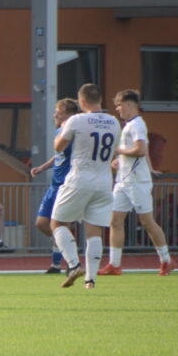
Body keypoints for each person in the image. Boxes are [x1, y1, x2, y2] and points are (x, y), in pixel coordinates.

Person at [49, 83, 122, 289]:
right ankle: (90, 280)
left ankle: (73, 265)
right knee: (94, 230)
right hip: (104, 181)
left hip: (80, 178)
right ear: (100, 99)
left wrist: (63, 129)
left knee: (57, 223)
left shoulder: (76, 120)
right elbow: (114, 150)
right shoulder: (114, 122)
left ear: (81, 102)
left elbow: (59, 147)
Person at [99, 89, 175, 276]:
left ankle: (166, 260)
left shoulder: (138, 124)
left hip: (137, 182)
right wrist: (122, 161)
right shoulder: (129, 125)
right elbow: (144, 152)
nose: (117, 109)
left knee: (147, 222)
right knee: (115, 221)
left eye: (119, 105)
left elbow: (140, 150)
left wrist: (119, 150)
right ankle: (114, 265)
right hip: (123, 181)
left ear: (129, 104)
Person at [30, 98, 80, 274]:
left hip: (66, 185)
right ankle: (67, 248)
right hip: (54, 185)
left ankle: (60, 264)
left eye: (58, 111)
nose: (54, 115)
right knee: (42, 223)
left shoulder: (73, 133)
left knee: (59, 225)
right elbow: (59, 155)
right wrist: (42, 167)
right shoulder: (60, 131)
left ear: (67, 115)